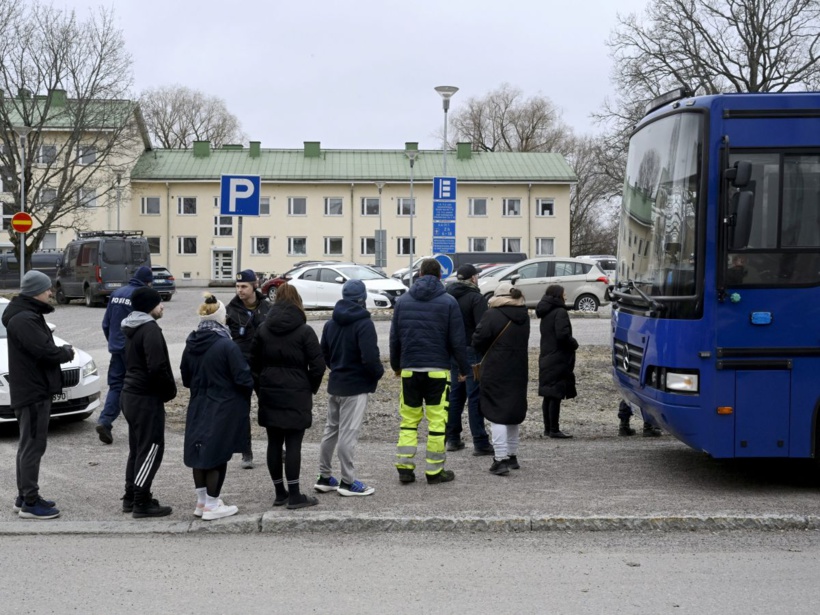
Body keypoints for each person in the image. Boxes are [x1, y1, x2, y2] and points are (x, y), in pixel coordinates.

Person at [389, 258, 468, 485]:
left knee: (409, 420)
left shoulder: (403, 301)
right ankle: (434, 471)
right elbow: (457, 340)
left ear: (420, 274)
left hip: (410, 370)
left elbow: (395, 338)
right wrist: (463, 369)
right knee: (437, 422)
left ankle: (405, 468)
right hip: (438, 371)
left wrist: (396, 366)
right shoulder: (449, 302)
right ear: (440, 276)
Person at [3, 271, 74, 520]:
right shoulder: (24, 318)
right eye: (47, 289)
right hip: (33, 391)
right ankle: (30, 504)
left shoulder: (27, 314)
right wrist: (66, 352)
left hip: (31, 389)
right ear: (36, 292)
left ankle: (24, 497)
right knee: (32, 447)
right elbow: (45, 352)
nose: (50, 292)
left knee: (28, 445)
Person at [250, 283, 325, 510]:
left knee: (274, 442)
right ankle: (294, 494)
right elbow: (318, 366)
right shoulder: (305, 331)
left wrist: (261, 389)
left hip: (270, 392)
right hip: (297, 393)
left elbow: (253, 365)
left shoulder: (263, 329)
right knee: (293, 444)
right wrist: (309, 387)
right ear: (297, 301)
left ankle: (279, 492)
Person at [180, 294, 254, 520]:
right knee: (218, 454)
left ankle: (202, 502)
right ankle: (212, 505)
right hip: (222, 405)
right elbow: (243, 378)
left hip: (198, 403)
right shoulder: (226, 344)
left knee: (200, 451)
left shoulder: (191, 343)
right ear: (221, 317)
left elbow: (185, 378)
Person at [315, 279, 384, 497]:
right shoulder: (364, 324)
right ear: (363, 299)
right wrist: (377, 373)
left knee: (331, 431)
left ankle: (324, 477)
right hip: (355, 386)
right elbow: (370, 358)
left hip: (336, 383)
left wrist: (336, 368)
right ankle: (348, 481)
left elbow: (324, 353)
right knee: (348, 434)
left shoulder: (330, 323)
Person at [120, 286, 177, 518]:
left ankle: (130, 497)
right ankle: (141, 502)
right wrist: (169, 391)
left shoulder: (131, 326)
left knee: (138, 449)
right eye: (159, 302)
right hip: (145, 398)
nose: (162, 306)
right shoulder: (149, 328)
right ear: (149, 306)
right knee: (152, 449)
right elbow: (157, 366)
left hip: (130, 395)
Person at [472, 282, 530, 475]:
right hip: (519, 368)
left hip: (496, 369)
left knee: (497, 414)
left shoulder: (492, 315)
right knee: (512, 413)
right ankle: (512, 456)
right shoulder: (524, 315)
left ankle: (500, 459)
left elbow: (478, 340)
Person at [96, 265, 154, 445]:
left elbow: (106, 323)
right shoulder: (141, 296)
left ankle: (105, 420)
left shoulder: (117, 293)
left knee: (116, 386)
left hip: (116, 348)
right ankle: (140, 425)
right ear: (148, 282)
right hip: (133, 350)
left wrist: (113, 342)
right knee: (138, 386)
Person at [445, 264, 493, 456]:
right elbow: (482, 328)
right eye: (477, 276)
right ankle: (480, 442)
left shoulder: (448, 297)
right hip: (472, 351)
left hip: (453, 351)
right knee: (474, 396)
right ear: (473, 278)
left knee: (456, 395)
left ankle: (453, 438)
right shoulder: (476, 298)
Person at [226, 268, 272, 469]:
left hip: (264, 366)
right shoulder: (230, 310)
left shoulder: (267, 307)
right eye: (237, 286)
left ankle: (276, 447)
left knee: (269, 408)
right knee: (241, 410)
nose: (240, 290)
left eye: (244, 286)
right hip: (241, 367)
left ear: (255, 286)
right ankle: (246, 452)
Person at [536, 284, 578, 439]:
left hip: (546, 355)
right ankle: (554, 429)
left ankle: (548, 429)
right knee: (555, 394)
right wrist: (574, 343)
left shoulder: (546, 311)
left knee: (548, 394)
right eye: (564, 293)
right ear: (558, 295)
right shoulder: (560, 312)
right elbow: (562, 335)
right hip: (558, 357)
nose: (565, 295)